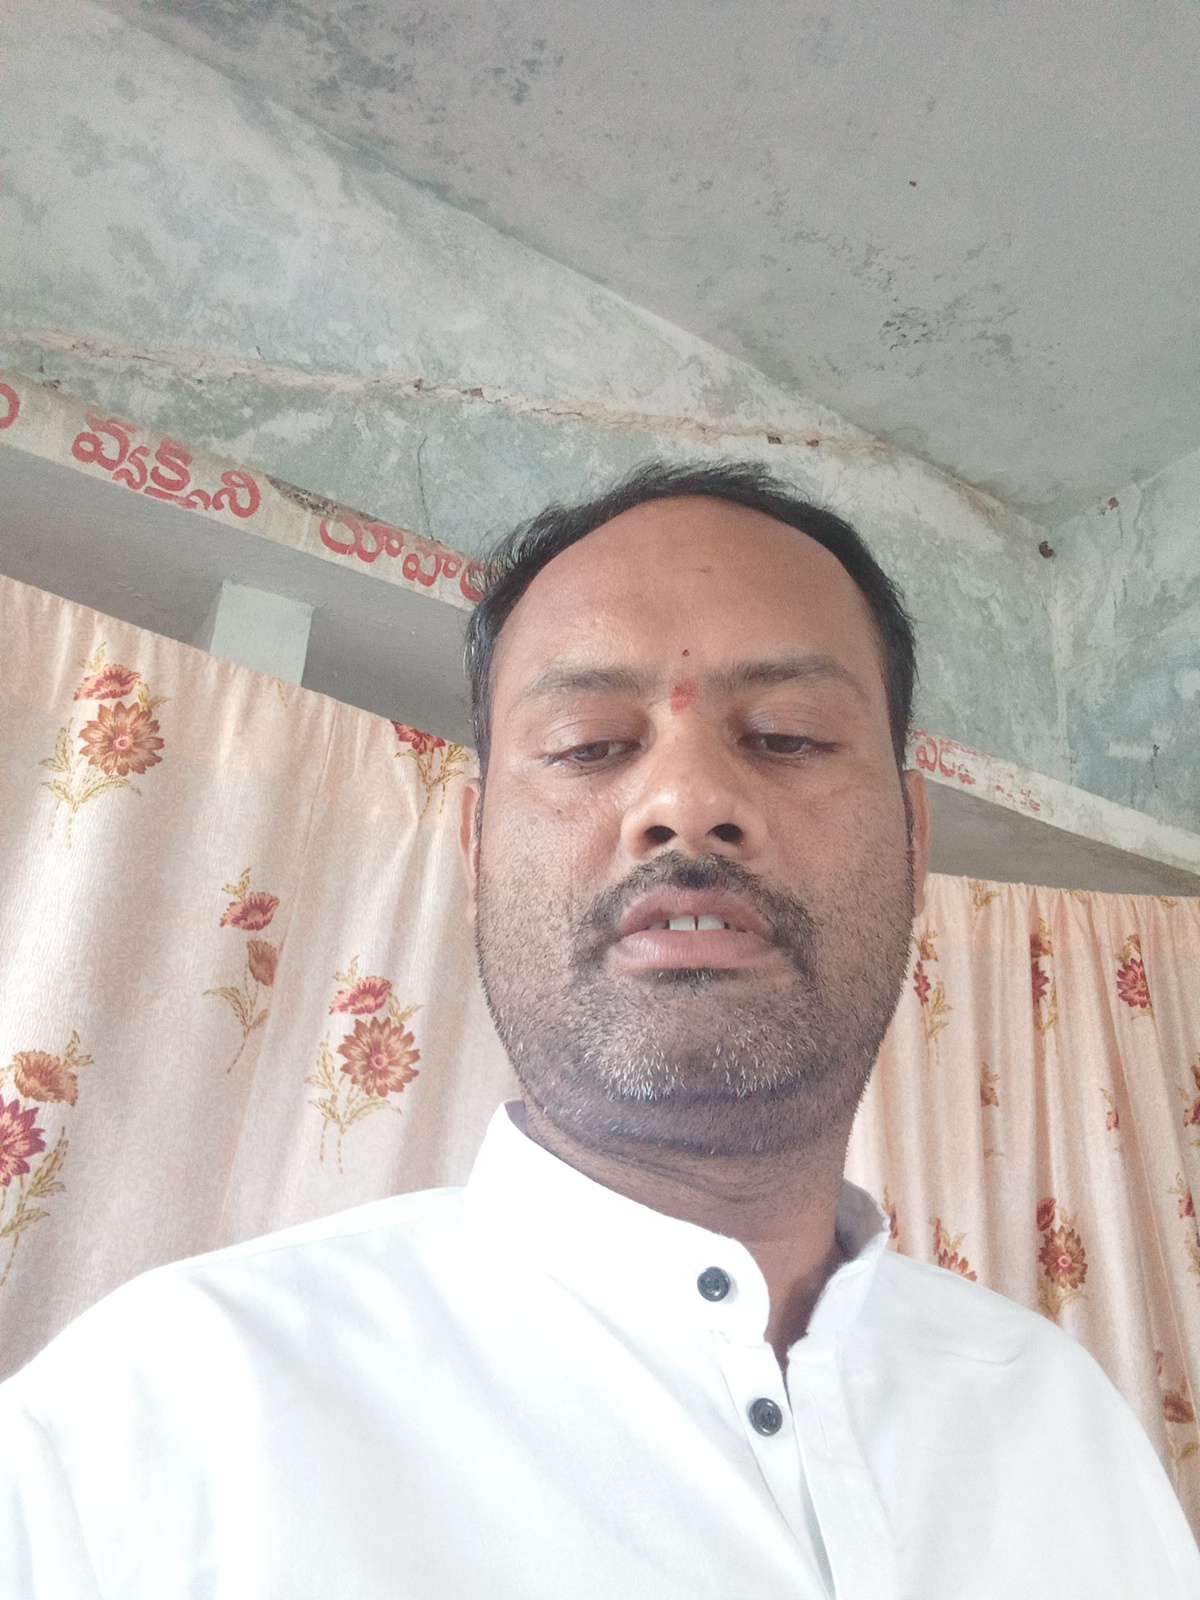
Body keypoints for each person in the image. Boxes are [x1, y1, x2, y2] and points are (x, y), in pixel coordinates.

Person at [2, 461, 1197, 1597]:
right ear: (475, 853)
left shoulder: (1068, 1427)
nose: (687, 801)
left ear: (916, 839)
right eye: (586, 745)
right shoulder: (149, 1424)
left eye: (788, 734)